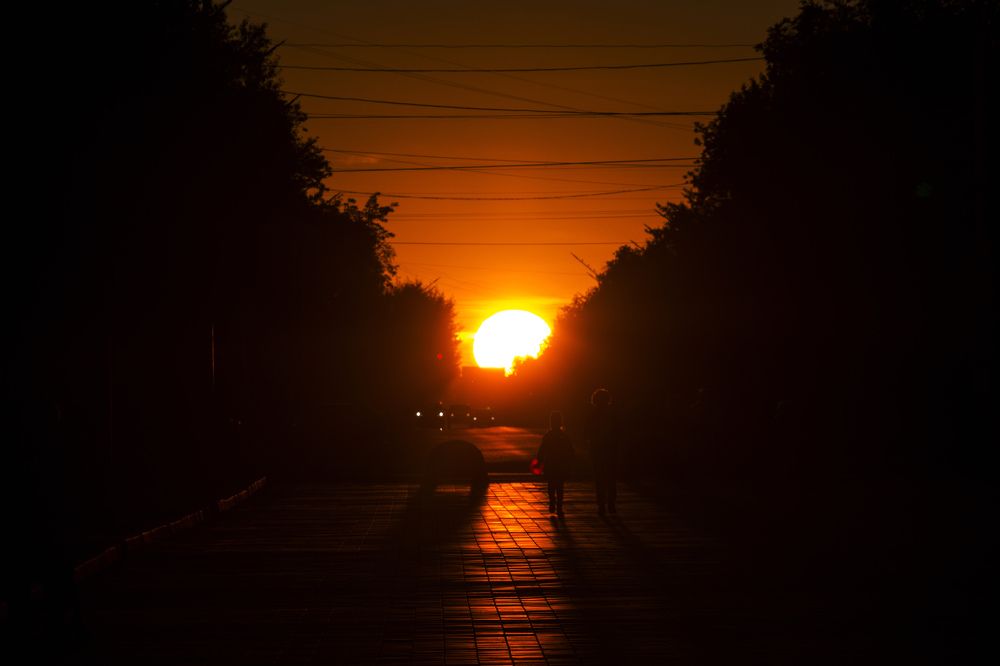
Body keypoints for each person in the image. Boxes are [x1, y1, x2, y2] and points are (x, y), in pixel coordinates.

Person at [586, 388, 618, 515]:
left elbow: (587, 432)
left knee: (599, 478)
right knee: (611, 478)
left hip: (597, 449)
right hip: (610, 449)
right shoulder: (612, 415)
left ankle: (601, 504)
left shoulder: (592, 415)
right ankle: (611, 503)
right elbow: (618, 432)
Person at [537, 411, 573, 516]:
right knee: (560, 486)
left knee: (551, 485)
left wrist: (539, 460)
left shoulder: (548, 436)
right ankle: (559, 506)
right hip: (561, 463)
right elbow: (570, 450)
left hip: (550, 463)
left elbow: (542, 449)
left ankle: (552, 501)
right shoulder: (564, 436)